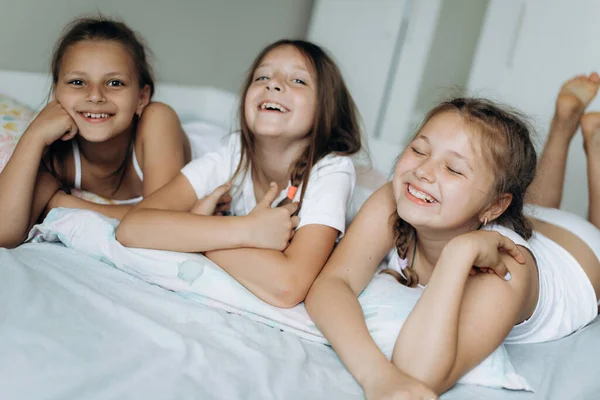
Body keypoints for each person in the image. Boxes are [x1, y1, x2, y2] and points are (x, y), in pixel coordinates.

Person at [305, 95, 600, 398]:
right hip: (509, 220)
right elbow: (331, 284)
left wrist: (458, 255)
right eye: (419, 150)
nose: (423, 171)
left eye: (454, 169)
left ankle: (592, 144)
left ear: (495, 207)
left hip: (581, 252)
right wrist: (376, 374)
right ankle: (564, 125)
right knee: (534, 208)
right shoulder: (398, 198)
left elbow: (419, 372)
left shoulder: (506, 268)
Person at [116, 39, 362, 309]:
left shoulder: (331, 171)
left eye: (298, 80)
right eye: (263, 76)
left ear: (327, 108)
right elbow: (132, 227)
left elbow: (287, 286)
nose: (274, 84)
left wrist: (195, 231)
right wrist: (247, 230)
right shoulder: (233, 153)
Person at [0, 17, 190, 249]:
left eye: (115, 83)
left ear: (141, 98)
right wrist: (33, 136)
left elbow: (162, 221)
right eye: (78, 82)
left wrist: (63, 203)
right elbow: (3, 233)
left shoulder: (157, 119)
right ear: (55, 95)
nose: (95, 96)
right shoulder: (58, 154)